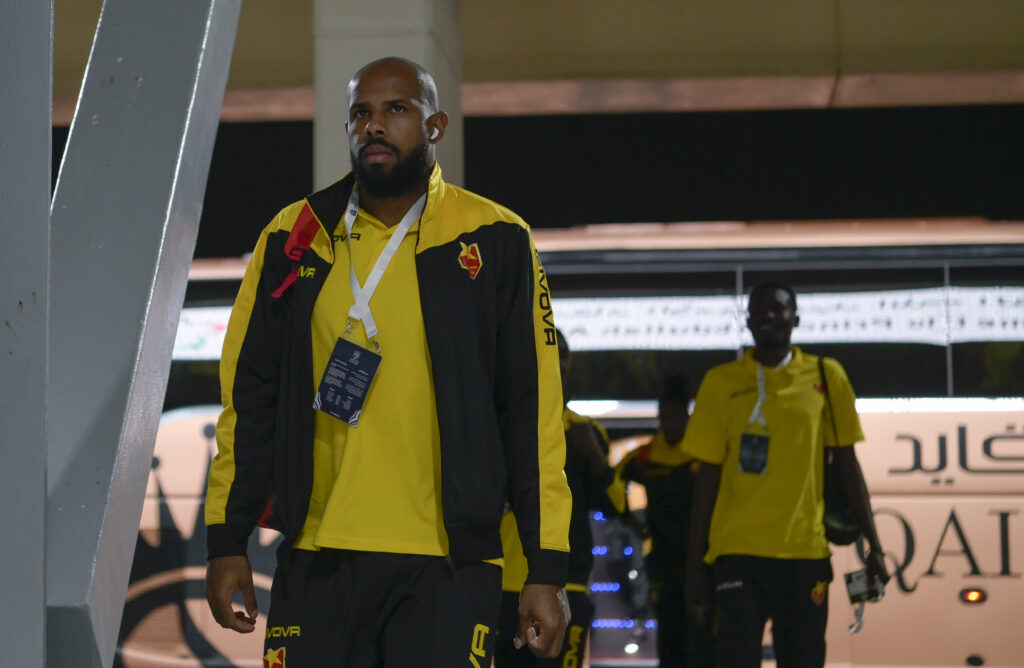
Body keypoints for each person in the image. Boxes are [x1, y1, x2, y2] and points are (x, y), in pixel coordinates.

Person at [202, 57, 572, 667]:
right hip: (319, 557)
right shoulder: (294, 236)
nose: (373, 125)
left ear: (435, 125)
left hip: (450, 568)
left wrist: (547, 565)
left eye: (396, 109)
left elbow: (533, 413)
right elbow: (249, 399)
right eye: (360, 113)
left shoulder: (496, 238)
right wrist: (226, 540)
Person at [681, 282, 890, 668]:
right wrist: (694, 567)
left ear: (796, 319)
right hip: (736, 555)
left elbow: (848, 467)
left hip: (804, 555)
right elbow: (706, 479)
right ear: (747, 321)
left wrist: (874, 546)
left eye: (778, 309)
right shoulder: (720, 383)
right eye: (759, 310)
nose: (769, 316)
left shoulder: (826, 376)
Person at [494, 329, 620, 667]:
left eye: (564, 361)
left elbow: (616, 506)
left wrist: (594, 456)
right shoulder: (504, 426)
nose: (559, 367)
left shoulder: (585, 431)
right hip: (506, 579)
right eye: (552, 359)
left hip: (567, 581)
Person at [614, 374, 715, 667]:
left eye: (674, 416)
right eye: (663, 417)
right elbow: (611, 483)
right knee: (670, 635)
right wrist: (630, 520)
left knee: (704, 635)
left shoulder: (702, 451)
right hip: (663, 560)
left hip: (705, 559)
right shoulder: (647, 455)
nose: (668, 423)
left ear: (686, 415)